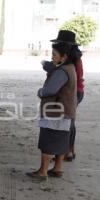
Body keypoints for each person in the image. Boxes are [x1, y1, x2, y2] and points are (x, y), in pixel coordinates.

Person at [26, 42, 77, 181]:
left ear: (64, 56)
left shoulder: (62, 71)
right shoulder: (70, 67)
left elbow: (50, 90)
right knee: (61, 140)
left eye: (54, 54)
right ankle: (57, 168)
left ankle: (43, 172)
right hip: (66, 111)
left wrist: (40, 92)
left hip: (55, 111)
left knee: (48, 140)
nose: (52, 57)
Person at [44, 30, 84, 161]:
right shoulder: (71, 57)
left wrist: (52, 69)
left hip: (74, 91)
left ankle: (68, 150)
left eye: (60, 42)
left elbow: (64, 76)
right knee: (67, 121)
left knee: (68, 121)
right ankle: (63, 151)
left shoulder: (73, 59)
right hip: (73, 90)